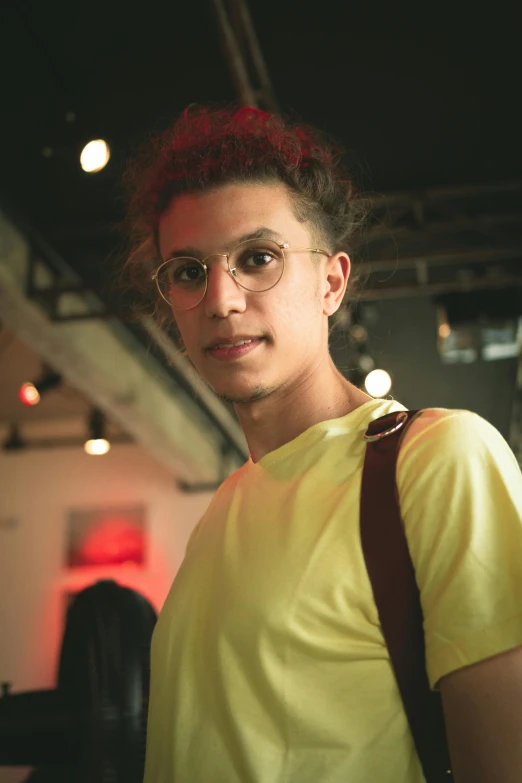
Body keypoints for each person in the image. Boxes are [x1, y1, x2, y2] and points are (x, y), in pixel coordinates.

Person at [122, 105, 522, 783]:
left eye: (257, 258)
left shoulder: (438, 459)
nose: (220, 299)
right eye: (188, 271)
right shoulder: (218, 514)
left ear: (331, 281)